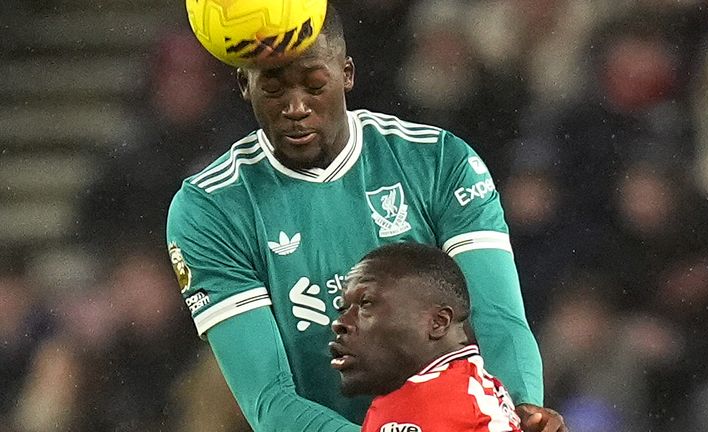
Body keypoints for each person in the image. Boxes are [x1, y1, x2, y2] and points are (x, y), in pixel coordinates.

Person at [166, 4, 565, 431]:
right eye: (274, 90)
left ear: (347, 74)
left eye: (315, 85)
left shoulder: (438, 160)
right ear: (245, 85)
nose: (296, 107)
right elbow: (269, 398)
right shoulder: (211, 208)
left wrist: (523, 408)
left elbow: (498, 316)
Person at [330, 242, 525, 432]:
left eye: (366, 304)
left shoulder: (432, 404)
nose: (340, 323)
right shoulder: (468, 391)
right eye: (343, 308)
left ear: (438, 322)